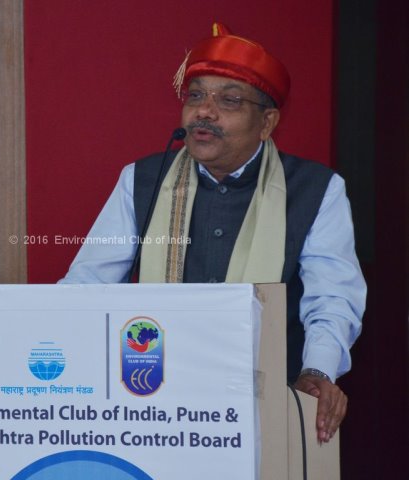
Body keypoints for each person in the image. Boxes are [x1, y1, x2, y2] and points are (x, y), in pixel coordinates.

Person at [59, 23, 366, 444]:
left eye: (229, 100)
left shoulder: (314, 189)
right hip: (152, 402)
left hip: (266, 406)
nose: (204, 112)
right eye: (195, 96)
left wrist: (316, 372)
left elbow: (332, 299)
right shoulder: (143, 180)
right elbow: (87, 284)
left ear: (267, 122)